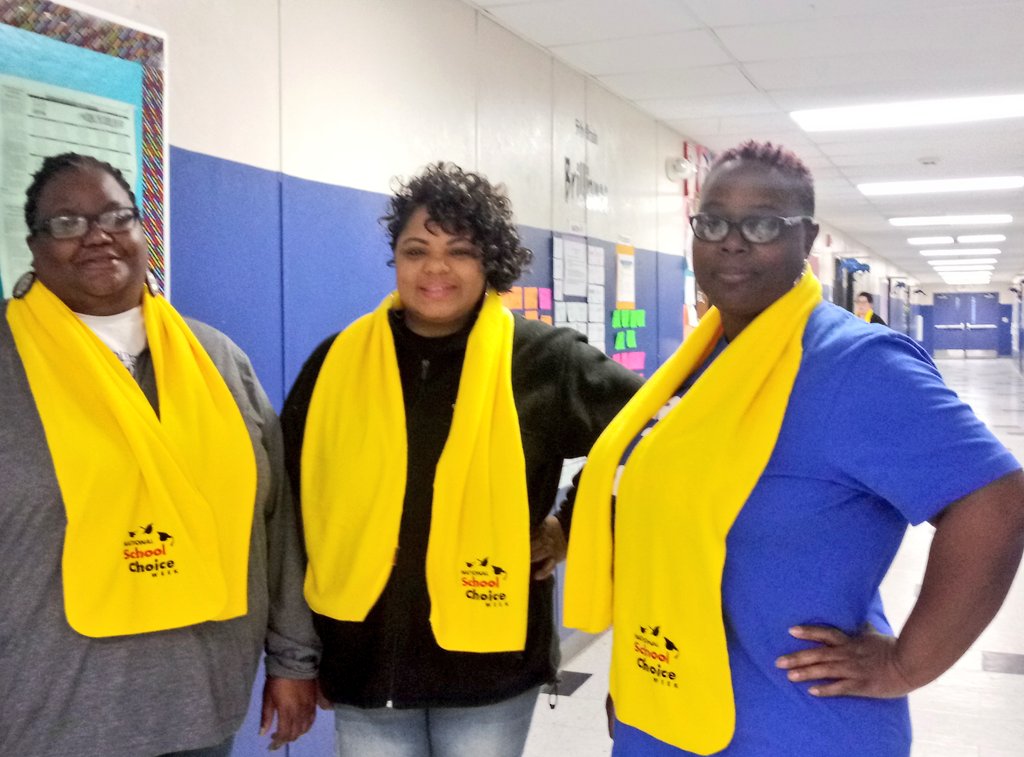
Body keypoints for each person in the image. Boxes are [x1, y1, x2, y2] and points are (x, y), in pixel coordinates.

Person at [565, 140, 1024, 756]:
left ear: (805, 237)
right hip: (670, 708)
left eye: (762, 224)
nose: (732, 242)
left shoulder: (853, 364)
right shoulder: (698, 364)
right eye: (713, 223)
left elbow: (996, 500)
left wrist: (905, 665)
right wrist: (641, 679)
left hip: (793, 726)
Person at [281, 162, 642, 757]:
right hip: (364, 663)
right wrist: (294, 656)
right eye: (416, 250)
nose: (435, 268)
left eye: (461, 251)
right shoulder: (337, 362)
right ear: (396, 258)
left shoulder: (544, 360)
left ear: (490, 262)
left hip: (489, 670)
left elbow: (654, 442)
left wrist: (569, 526)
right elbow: (290, 510)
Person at [0, 153, 319, 757]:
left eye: (115, 216)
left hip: (202, 706)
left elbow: (275, 524)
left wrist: (293, 661)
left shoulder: (217, 360)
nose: (96, 235)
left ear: (141, 229)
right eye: (67, 223)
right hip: (46, 719)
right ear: (34, 247)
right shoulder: (8, 361)